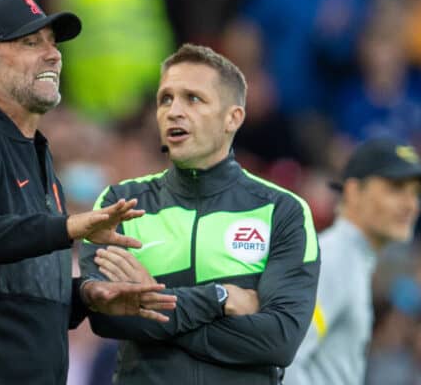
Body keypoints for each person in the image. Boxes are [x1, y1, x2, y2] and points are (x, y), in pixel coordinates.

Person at [0, 0, 176, 385]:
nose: (53, 55)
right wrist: (68, 228)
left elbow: (12, 288)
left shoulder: (35, 153)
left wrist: (87, 296)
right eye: (30, 43)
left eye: (52, 43)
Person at [80, 43, 321, 384]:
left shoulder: (281, 210)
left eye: (193, 98)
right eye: (166, 99)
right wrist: (217, 298)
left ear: (232, 118)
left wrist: (152, 301)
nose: (174, 111)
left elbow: (279, 340)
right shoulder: (122, 202)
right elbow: (106, 316)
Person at [283, 138, 421, 385]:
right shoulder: (334, 259)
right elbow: (286, 360)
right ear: (354, 191)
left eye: (416, 193)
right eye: (396, 188)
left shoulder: (350, 260)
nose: (411, 204)